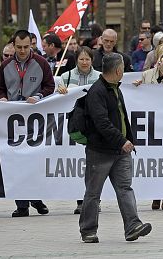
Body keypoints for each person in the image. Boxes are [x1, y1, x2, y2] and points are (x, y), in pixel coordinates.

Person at [79, 52, 152, 243]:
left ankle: (133, 226)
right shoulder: (97, 92)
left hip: (120, 151)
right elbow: (101, 123)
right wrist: (122, 141)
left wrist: (129, 139)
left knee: (125, 188)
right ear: (118, 70)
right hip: (100, 152)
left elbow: (121, 117)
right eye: (123, 68)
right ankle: (88, 230)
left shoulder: (114, 88)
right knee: (93, 192)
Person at [0, 30, 56, 217]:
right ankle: (22, 205)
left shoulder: (41, 63)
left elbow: (50, 86)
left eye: (26, 47)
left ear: (32, 45)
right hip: (12, 120)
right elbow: (0, 89)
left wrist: (38, 96)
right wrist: (2, 97)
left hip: (35, 119)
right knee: (16, 162)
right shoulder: (5, 65)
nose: (22, 51)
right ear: (13, 45)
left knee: (33, 161)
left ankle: (36, 198)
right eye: (19, 47)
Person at [134, 42, 163, 211]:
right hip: (152, 124)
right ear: (159, 57)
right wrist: (137, 87)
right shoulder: (147, 74)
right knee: (155, 160)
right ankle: (155, 194)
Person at [57, 46, 100, 215]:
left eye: (87, 59)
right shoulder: (65, 77)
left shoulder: (99, 77)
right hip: (74, 125)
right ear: (76, 60)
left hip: (94, 125)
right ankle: (80, 201)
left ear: (92, 60)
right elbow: (56, 99)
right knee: (77, 164)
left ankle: (94, 201)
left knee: (94, 166)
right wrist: (60, 91)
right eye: (81, 59)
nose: (84, 62)